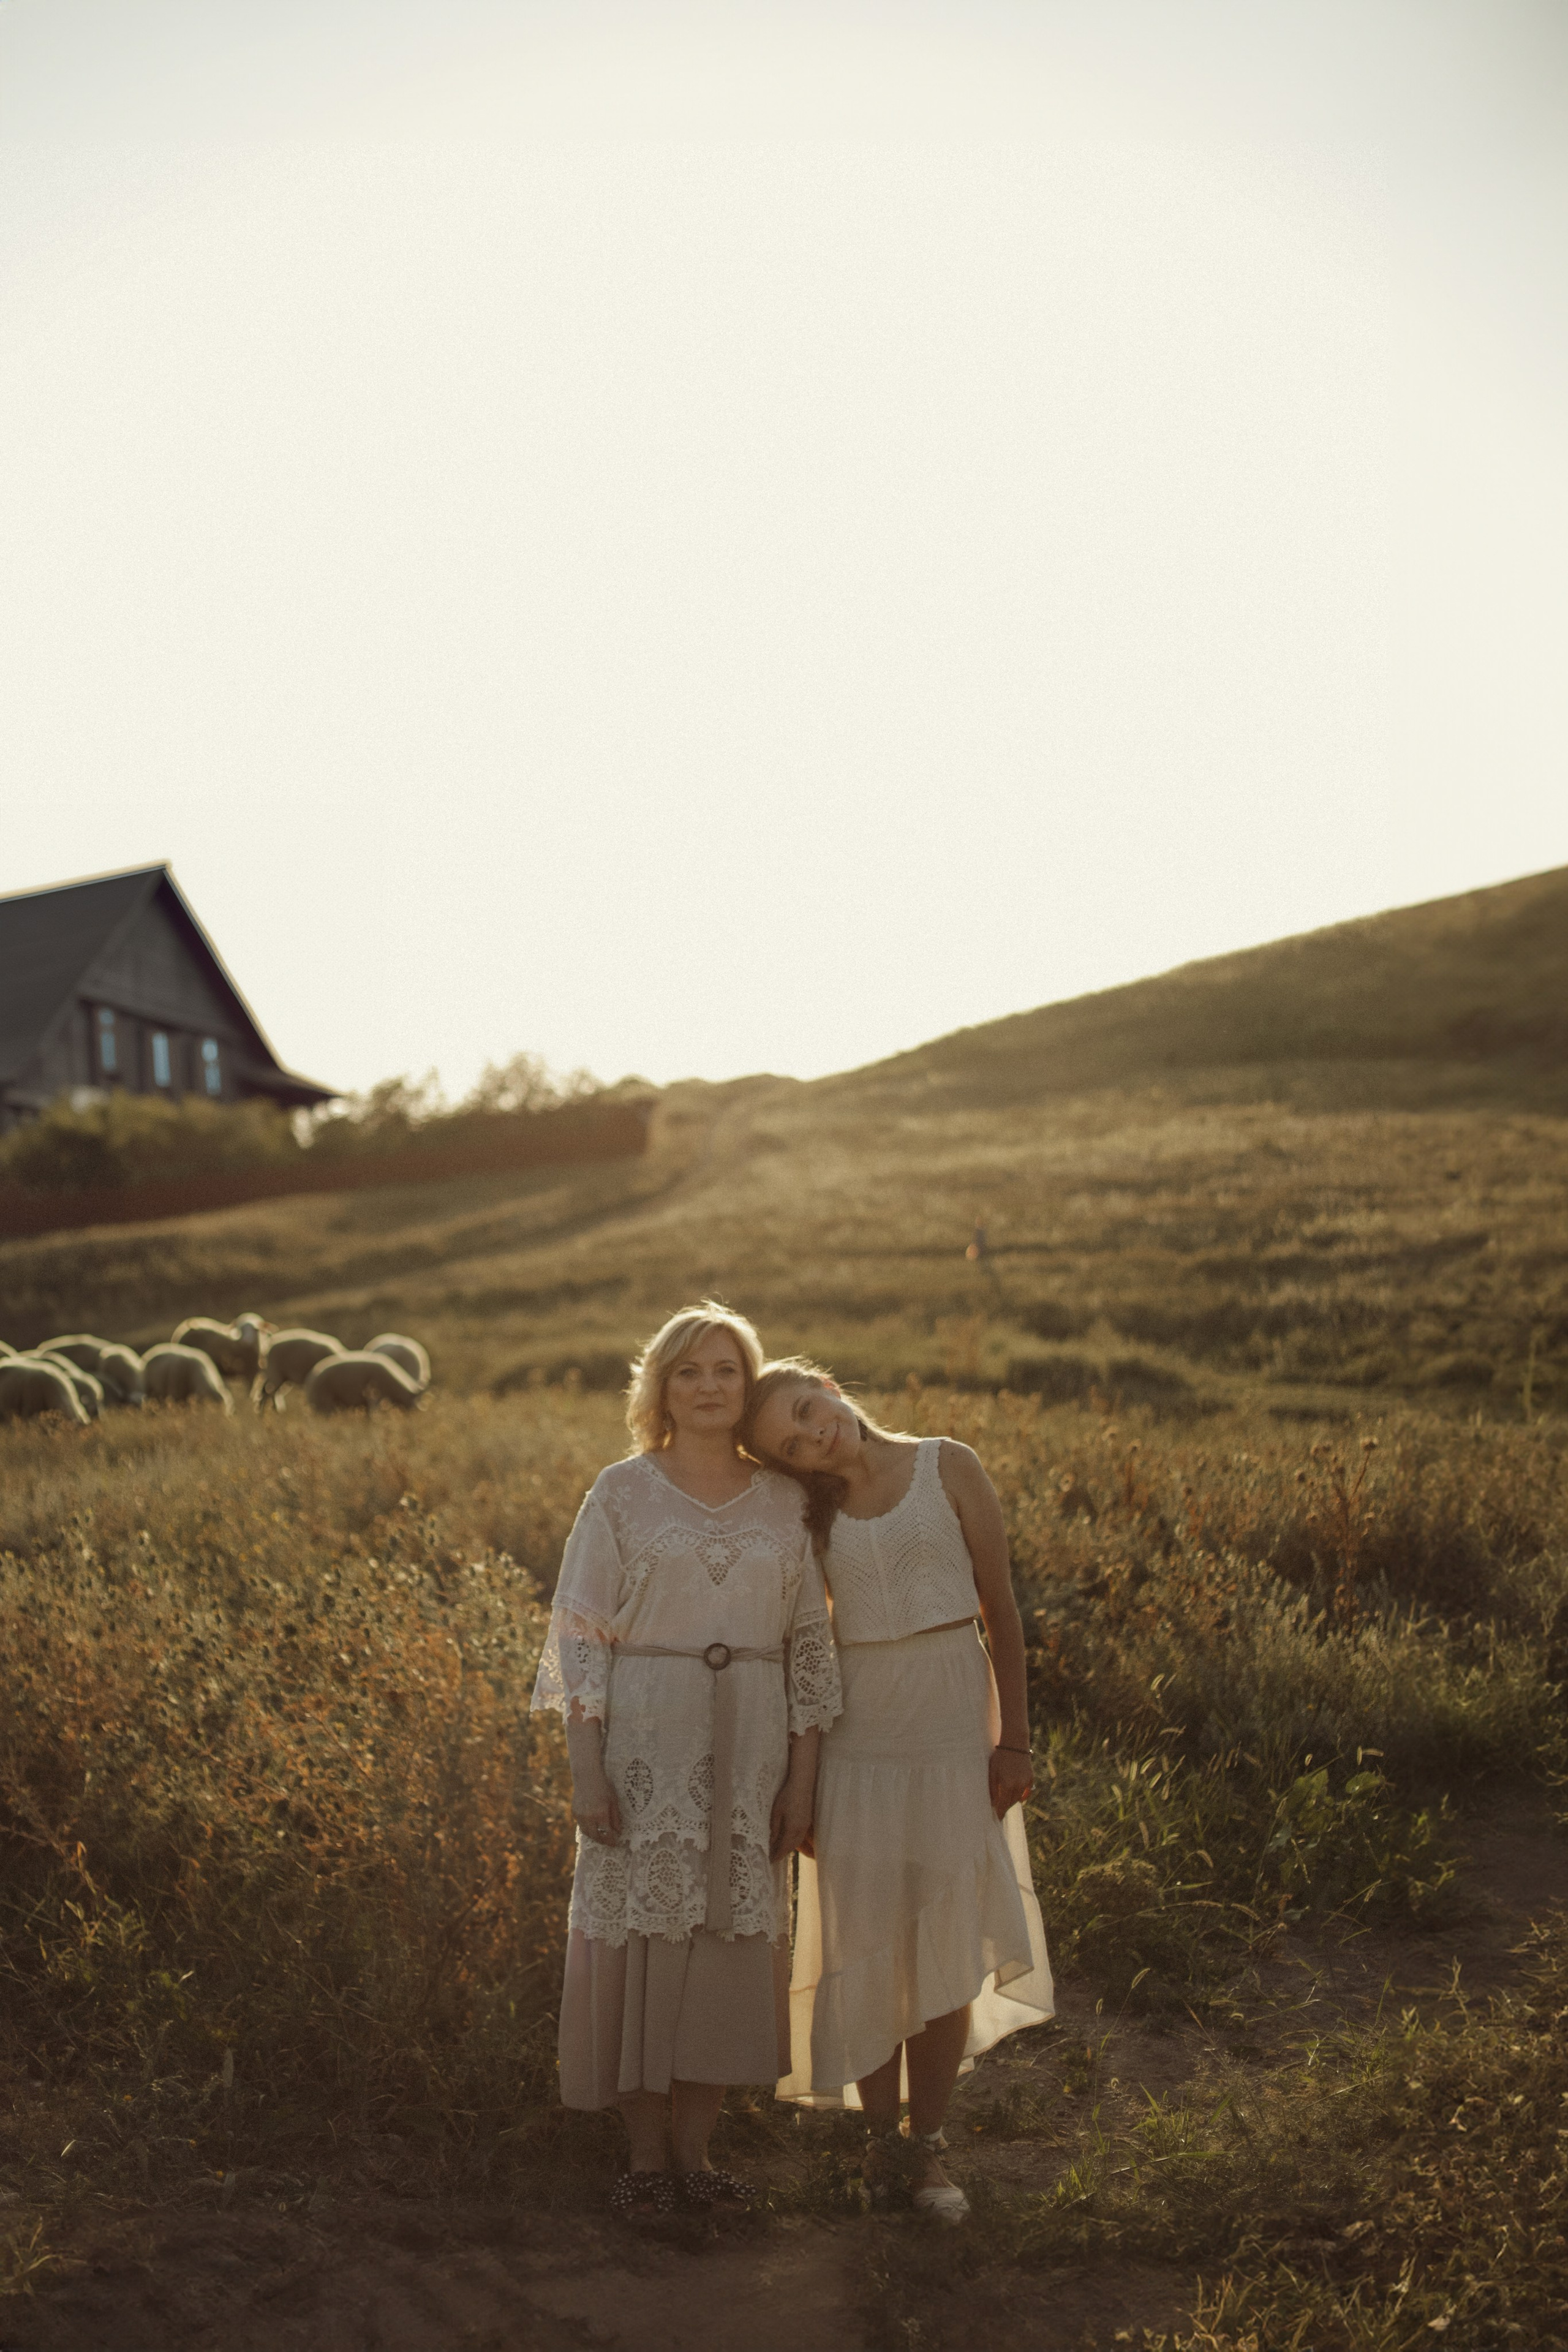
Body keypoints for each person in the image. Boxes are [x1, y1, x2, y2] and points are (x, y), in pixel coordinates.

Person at [531, 1305, 841, 2222]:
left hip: (753, 1746)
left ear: (749, 1389)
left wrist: (803, 1777)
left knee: (725, 1942)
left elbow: (810, 1646)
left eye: (727, 1371)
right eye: (689, 1372)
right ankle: (642, 2160)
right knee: (635, 1937)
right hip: (641, 1740)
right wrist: (586, 1770)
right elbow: (580, 1636)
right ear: (660, 1388)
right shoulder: (621, 1491)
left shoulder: (787, 1501)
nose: (709, 1386)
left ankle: (698, 2159)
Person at [739, 1361, 1052, 2223]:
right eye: (792, 1446)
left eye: (809, 1413)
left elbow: (1003, 1611)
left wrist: (1014, 1740)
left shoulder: (949, 1464)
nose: (813, 1437)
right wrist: (801, 1780)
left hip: (953, 1720)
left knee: (944, 1934)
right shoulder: (809, 1512)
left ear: (830, 1387)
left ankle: (928, 2148)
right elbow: (799, 1643)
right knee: (867, 1938)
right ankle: (879, 2148)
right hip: (859, 1733)